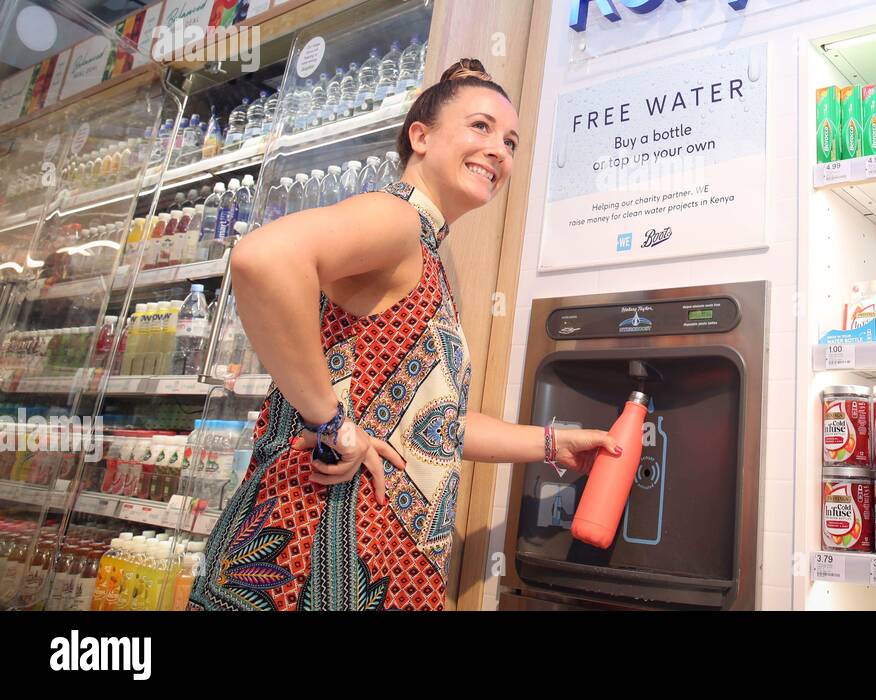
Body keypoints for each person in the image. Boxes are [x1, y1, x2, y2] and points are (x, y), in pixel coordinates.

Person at [189, 59, 618, 611]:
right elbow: (263, 258)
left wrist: (554, 445)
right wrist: (330, 421)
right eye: (481, 127)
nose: (498, 151)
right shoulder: (399, 220)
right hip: (306, 551)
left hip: (364, 556)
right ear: (421, 136)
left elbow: (430, 428)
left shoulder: (427, 254)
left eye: (510, 142)